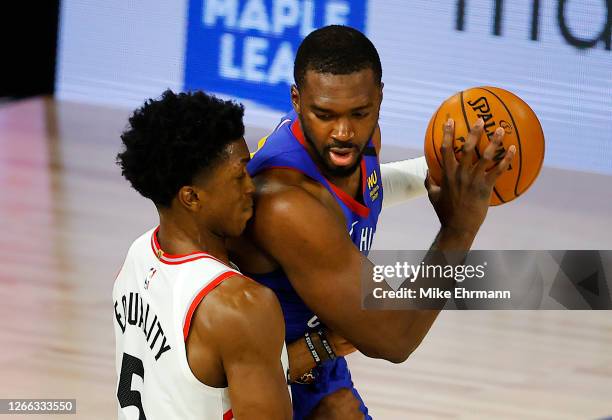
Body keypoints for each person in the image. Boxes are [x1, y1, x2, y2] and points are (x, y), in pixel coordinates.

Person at [228, 25, 515, 419]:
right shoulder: (286, 203)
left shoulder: (359, 144)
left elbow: (365, 191)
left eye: (359, 113)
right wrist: (460, 227)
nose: (344, 133)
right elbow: (394, 339)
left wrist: (442, 173)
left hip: (316, 363)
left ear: (379, 97)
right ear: (297, 100)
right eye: (324, 115)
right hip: (262, 373)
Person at [112, 90, 351, 419]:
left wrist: (324, 345)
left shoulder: (138, 256)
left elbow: (205, 378)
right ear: (191, 197)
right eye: (239, 175)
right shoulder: (242, 304)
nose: (252, 186)